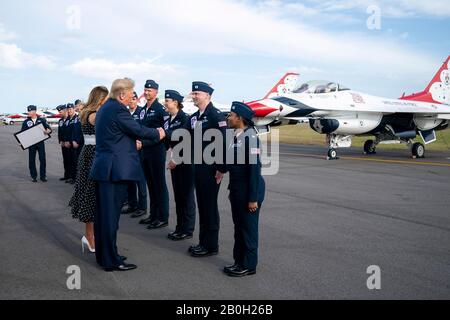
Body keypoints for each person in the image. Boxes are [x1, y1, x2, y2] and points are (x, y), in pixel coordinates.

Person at [90, 78, 165, 272]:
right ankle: (111, 261)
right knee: (109, 218)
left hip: (106, 169)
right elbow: (136, 129)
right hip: (113, 171)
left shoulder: (107, 108)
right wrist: (158, 133)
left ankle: (106, 254)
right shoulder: (118, 110)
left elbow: (119, 135)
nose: (134, 96)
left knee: (105, 216)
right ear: (122, 94)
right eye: (131, 93)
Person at [217, 102, 265, 277]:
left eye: (231, 115)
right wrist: (221, 170)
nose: (228, 118)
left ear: (240, 118)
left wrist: (253, 198)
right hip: (238, 189)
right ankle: (238, 261)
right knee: (239, 227)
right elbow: (231, 160)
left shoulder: (251, 137)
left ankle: (249, 265)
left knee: (248, 229)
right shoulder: (237, 136)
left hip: (249, 190)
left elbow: (254, 169)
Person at [186, 82, 227, 257]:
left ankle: (211, 245)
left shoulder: (215, 115)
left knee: (209, 206)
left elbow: (225, 142)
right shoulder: (196, 116)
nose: (194, 96)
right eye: (193, 93)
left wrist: (222, 169)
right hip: (199, 166)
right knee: (203, 205)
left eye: (197, 93)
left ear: (208, 96)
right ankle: (203, 242)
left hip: (211, 169)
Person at [69, 86, 109, 254]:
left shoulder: (86, 113)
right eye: (106, 98)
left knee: (90, 194)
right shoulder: (96, 115)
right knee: (92, 196)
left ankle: (90, 236)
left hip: (87, 154)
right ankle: (90, 237)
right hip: (95, 155)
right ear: (100, 98)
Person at [164, 90, 196, 241]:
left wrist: (176, 159)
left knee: (187, 196)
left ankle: (187, 229)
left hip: (185, 162)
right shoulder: (169, 119)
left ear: (175, 102)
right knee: (178, 196)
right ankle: (180, 226)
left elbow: (185, 140)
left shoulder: (185, 118)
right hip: (175, 161)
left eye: (167, 100)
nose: (165, 103)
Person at [138, 80, 170, 229]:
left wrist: (144, 143)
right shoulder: (143, 109)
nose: (147, 92)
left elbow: (163, 133)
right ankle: (153, 214)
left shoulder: (160, 109)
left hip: (156, 151)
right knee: (151, 184)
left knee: (159, 184)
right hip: (145, 151)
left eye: (150, 90)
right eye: (145, 90)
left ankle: (162, 217)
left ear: (156, 92)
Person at [122, 92, 148, 218]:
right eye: (130, 99)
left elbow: (144, 129)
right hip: (128, 151)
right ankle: (132, 204)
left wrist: (141, 142)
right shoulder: (125, 113)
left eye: (133, 99)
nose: (131, 101)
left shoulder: (141, 112)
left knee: (140, 179)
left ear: (137, 100)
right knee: (130, 179)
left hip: (140, 149)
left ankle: (142, 207)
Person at [21, 105, 52, 182]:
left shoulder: (41, 120)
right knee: (31, 160)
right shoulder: (26, 122)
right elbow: (22, 133)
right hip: (31, 144)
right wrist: (21, 141)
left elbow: (49, 129)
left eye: (30, 111)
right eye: (28, 111)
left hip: (40, 143)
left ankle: (43, 176)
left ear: (34, 111)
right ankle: (33, 176)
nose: (29, 112)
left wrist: (48, 131)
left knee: (42, 159)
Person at [57, 104, 70, 181]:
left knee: (70, 160)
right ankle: (66, 175)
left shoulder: (70, 119)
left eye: (60, 111)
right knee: (65, 160)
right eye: (59, 111)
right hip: (63, 143)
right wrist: (61, 140)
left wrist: (68, 141)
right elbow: (60, 132)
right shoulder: (60, 121)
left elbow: (70, 132)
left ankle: (72, 176)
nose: (59, 113)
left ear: (65, 110)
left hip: (69, 143)